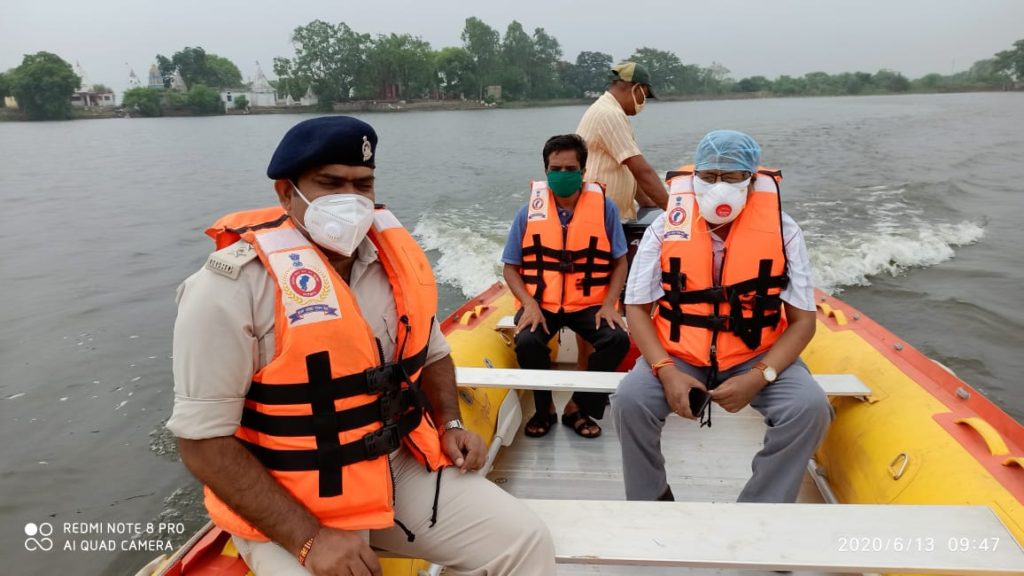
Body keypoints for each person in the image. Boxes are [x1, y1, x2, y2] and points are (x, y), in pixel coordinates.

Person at [167, 116, 556, 576]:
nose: (350, 199)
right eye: (330, 183)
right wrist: (309, 539)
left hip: (398, 466)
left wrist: (450, 421)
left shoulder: (391, 262)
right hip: (295, 492)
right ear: (287, 193)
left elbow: (431, 352)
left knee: (525, 542)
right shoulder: (227, 289)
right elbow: (202, 442)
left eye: (363, 184)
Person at [611, 130, 833, 503]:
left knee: (809, 408)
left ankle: (762, 506)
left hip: (756, 353)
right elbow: (636, 308)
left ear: (752, 180)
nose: (719, 187)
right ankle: (650, 498)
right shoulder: (665, 227)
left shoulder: (784, 230)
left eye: (732, 178)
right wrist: (665, 370)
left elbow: (803, 322)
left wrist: (759, 376)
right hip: (679, 354)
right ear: (693, 177)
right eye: (709, 177)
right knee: (629, 401)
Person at [501, 134, 631, 439]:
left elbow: (620, 262)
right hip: (541, 304)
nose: (561, 175)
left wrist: (609, 303)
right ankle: (543, 408)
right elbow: (510, 267)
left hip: (588, 304)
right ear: (545, 171)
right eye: (554, 169)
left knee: (617, 340)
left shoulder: (605, 209)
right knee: (528, 343)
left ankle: (579, 407)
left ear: (583, 172)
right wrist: (529, 304)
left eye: (569, 169)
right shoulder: (527, 213)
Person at [576, 61, 669, 221]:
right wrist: (675, 211)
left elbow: (627, 166)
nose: (643, 102)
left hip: (611, 215)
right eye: (644, 96)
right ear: (636, 88)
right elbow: (641, 170)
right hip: (600, 217)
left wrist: (645, 201)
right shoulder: (609, 114)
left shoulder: (609, 110)